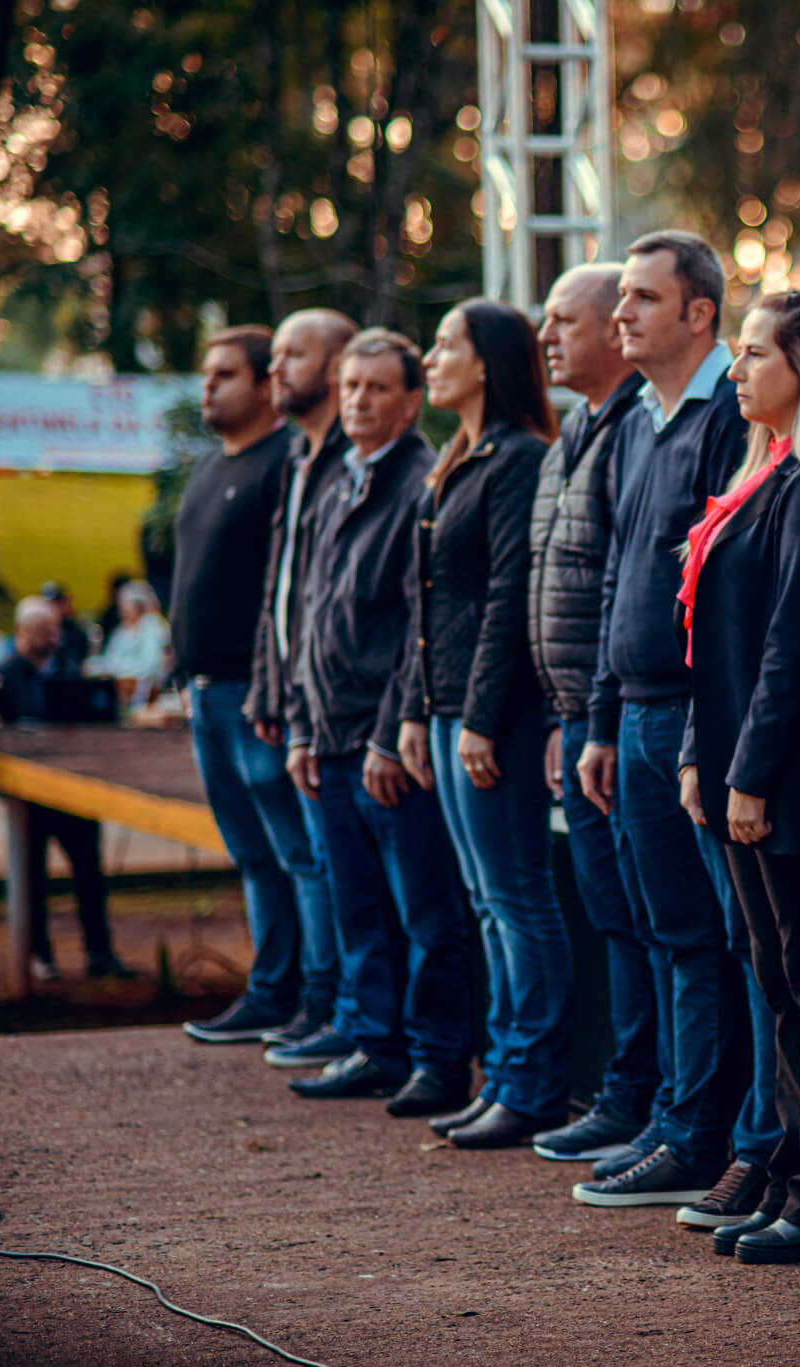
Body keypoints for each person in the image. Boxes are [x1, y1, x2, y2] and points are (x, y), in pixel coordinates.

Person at [674, 290, 800, 1253]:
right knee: (779, 979)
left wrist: (749, 773)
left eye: (756, 354)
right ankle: (794, 1173)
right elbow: (711, 644)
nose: (736, 369)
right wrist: (696, 756)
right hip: (733, 771)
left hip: (787, 781)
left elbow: (794, 646)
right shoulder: (759, 479)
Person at [572, 230, 759, 1211]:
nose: (620, 316)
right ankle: (678, 1121)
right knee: (671, 931)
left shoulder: (735, 410)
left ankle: (723, 1138)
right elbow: (618, 579)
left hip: (699, 721)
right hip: (634, 718)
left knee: (728, 938)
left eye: (641, 298)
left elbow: (727, 592)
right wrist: (602, 721)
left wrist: (694, 733)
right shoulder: (640, 421)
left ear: (698, 312)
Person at [385, 300, 565, 1146]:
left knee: (517, 898)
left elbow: (505, 601)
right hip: (450, 709)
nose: (430, 356)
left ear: (488, 361)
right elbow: (429, 608)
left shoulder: (518, 459)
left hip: (494, 717)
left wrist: (481, 718)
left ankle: (530, 1082)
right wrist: (421, 709)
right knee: (488, 904)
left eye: (445, 343)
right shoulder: (459, 458)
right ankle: (506, 1073)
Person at [282, 328, 474, 1118]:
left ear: (411, 400)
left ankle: (435, 1059)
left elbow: (413, 628)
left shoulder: (419, 484)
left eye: (375, 388)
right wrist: (299, 725)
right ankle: (373, 1043)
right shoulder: (336, 484)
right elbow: (310, 613)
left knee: (425, 911)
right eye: (350, 386)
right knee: (357, 905)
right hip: (325, 739)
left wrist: (388, 730)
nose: (357, 399)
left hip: (384, 741)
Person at [523, 265, 670, 1168]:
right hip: (583, 717)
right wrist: (566, 712)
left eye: (563, 320)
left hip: (626, 721)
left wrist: (601, 718)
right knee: (616, 915)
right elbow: (573, 584)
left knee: (655, 922)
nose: (550, 335)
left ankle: (652, 1099)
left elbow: (628, 589)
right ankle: (631, 1091)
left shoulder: (638, 430)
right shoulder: (577, 428)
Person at [173, 324, 336, 1050]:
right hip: (204, 695)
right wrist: (184, 676)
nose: (209, 386)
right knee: (251, 853)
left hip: (258, 699)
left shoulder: (285, 463)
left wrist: (274, 694)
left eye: (225, 374)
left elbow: (290, 593)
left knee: (298, 853)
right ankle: (271, 990)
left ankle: (313, 998)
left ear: (267, 387)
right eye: (207, 374)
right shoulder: (209, 467)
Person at [241, 307, 359, 1063]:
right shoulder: (296, 457)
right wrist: (267, 688)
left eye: (294, 353)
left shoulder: (361, 460)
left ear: (340, 364)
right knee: (309, 863)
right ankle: (331, 1008)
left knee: (345, 879)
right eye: (275, 352)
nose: (276, 368)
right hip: (292, 705)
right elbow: (282, 592)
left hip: (347, 717)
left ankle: (339, 1010)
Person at [0, 597, 133, 983]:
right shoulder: (3, 676)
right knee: (32, 877)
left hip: (73, 790)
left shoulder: (71, 670)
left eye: (53, 631)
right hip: (29, 797)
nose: (50, 639)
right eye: (42, 632)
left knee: (89, 872)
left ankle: (99, 952)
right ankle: (39, 953)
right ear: (22, 633)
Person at [87, 582, 169, 688]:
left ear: (138, 605)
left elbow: (149, 666)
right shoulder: (121, 630)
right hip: (121, 688)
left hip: (148, 690)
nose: (122, 611)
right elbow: (110, 659)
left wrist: (113, 670)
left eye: (126, 605)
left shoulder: (152, 625)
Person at [37, 582, 93, 676]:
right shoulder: (37, 634)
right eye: (49, 604)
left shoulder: (76, 634)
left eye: (58, 602)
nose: (53, 607)